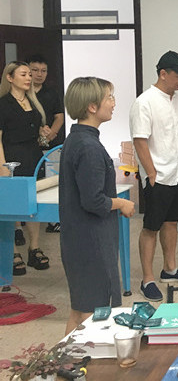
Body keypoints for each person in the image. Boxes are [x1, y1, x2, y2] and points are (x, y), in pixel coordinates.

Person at [59, 77, 135, 335]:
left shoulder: (78, 139)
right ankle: (85, 359)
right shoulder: (88, 147)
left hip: (79, 238)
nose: (113, 103)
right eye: (109, 98)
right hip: (90, 241)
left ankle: (65, 358)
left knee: (79, 310)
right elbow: (93, 200)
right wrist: (122, 202)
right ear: (92, 107)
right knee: (92, 315)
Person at [129, 51, 178, 302]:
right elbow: (140, 140)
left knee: (172, 222)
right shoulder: (144, 102)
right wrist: (151, 173)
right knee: (151, 226)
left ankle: (170, 268)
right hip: (158, 175)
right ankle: (147, 279)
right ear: (163, 74)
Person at [0, 61, 51, 275]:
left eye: (30, 74)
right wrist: (2, 166)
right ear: (10, 77)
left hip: (33, 156)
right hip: (11, 157)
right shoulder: (3, 104)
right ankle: (12, 251)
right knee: (12, 205)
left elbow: (32, 128)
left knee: (33, 203)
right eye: (24, 74)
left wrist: (42, 131)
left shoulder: (33, 101)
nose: (29, 78)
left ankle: (34, 247)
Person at [27, 54, 65, 233]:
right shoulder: (22, 93)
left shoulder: (51, 93)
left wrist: (50, 135)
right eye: (34, 70)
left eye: (43, 71)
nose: (39, 74)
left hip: (51, 144)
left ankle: (53, 220)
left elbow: (59, 116)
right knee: (31, 182)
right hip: (28, 145)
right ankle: (24, 220)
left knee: (52, 181)